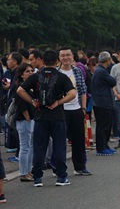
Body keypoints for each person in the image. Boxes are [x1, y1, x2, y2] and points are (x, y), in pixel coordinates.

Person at [16, 49, 77, 187]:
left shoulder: (36, 76)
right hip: (58, 116)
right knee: (59, 147)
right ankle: (61, 176)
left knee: (39, 147)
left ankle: (37, 177)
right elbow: (73, 93)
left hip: (40, 116)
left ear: (42, 61)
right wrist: (58, 102)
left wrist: (32, 101)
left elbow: (20, 90)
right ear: (57, 62)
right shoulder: (61, 77)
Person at [58, 46, 91, 175]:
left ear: (72, 56)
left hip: (76, 109)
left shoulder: (77, 71)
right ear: (59, 58)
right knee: (60, 141)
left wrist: (83, 108)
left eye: (68, 55)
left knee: (79, 140)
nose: (66, 58)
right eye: (63, 56)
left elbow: (83, 90)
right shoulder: (56, 73)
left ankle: (80, 167)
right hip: (61, 110)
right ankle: (59, 168)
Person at [13, 63, 36, 181]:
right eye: (27, 71)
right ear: (21, 74)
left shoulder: (30, 87)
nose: (31, 73)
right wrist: (27, 117)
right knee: (25, 147)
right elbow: (22, 106)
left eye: (32, 70)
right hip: (24, 120)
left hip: (31, 119)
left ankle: (28, 171)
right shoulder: (20, 87)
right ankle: (23, 172)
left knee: (31, 146)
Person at [92, 52, 118, 157]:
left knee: (106, 125)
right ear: (108, 60)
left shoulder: (98, 71)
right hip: (103, 102)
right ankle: (101, 147)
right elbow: (112, 82)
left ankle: (105, 145)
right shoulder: (102, 72)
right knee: (103, 126)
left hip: (100, 102)